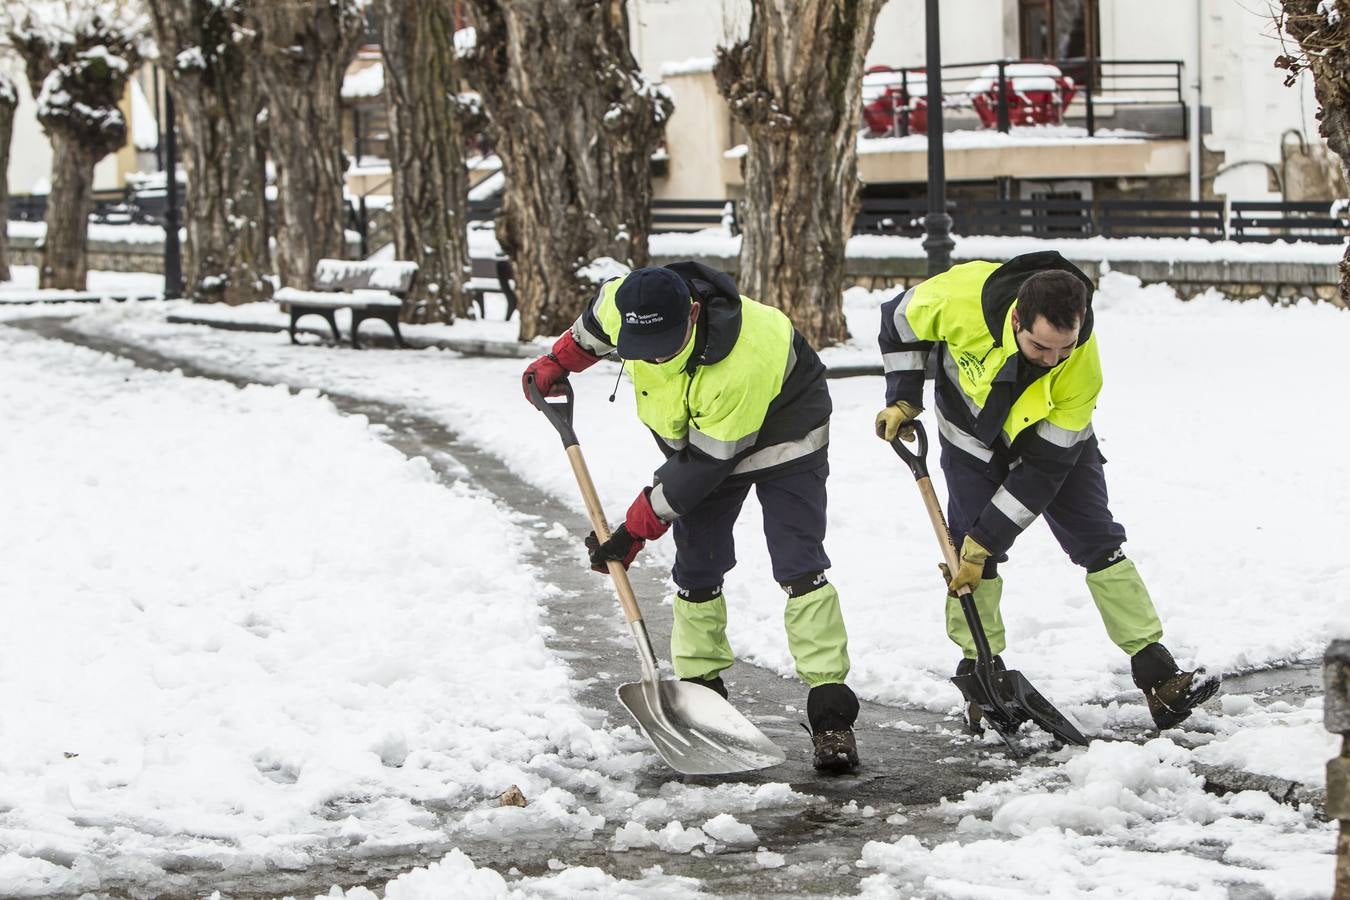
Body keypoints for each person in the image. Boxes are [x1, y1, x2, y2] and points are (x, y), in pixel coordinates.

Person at [523, 261, 861, 772]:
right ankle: (703, 693)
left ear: (694, 313)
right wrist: (558, 362)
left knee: (799, 564)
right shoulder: (627, 303)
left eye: (664, 343)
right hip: (701, 442)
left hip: (785, 434)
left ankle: (831, 710)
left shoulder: (739, 363)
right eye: (643, 347)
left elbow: (707, 464)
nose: (653, 355)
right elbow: (592, 327)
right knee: (698, 567)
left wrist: (636, 528)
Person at [874, 250, 1220, 732]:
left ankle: (1159, 676)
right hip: (970, 436)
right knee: (971, 557)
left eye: (1065, 347)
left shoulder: (1082, 366)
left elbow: (1041, 472)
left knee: (1097, 540)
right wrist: (903, 396)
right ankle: (981, 675)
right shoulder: (960, 297)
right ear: (1017, 318)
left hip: (1050, 445)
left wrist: (988, 538)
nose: (1053, 359)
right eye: (1041, 347)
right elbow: (897, 321)